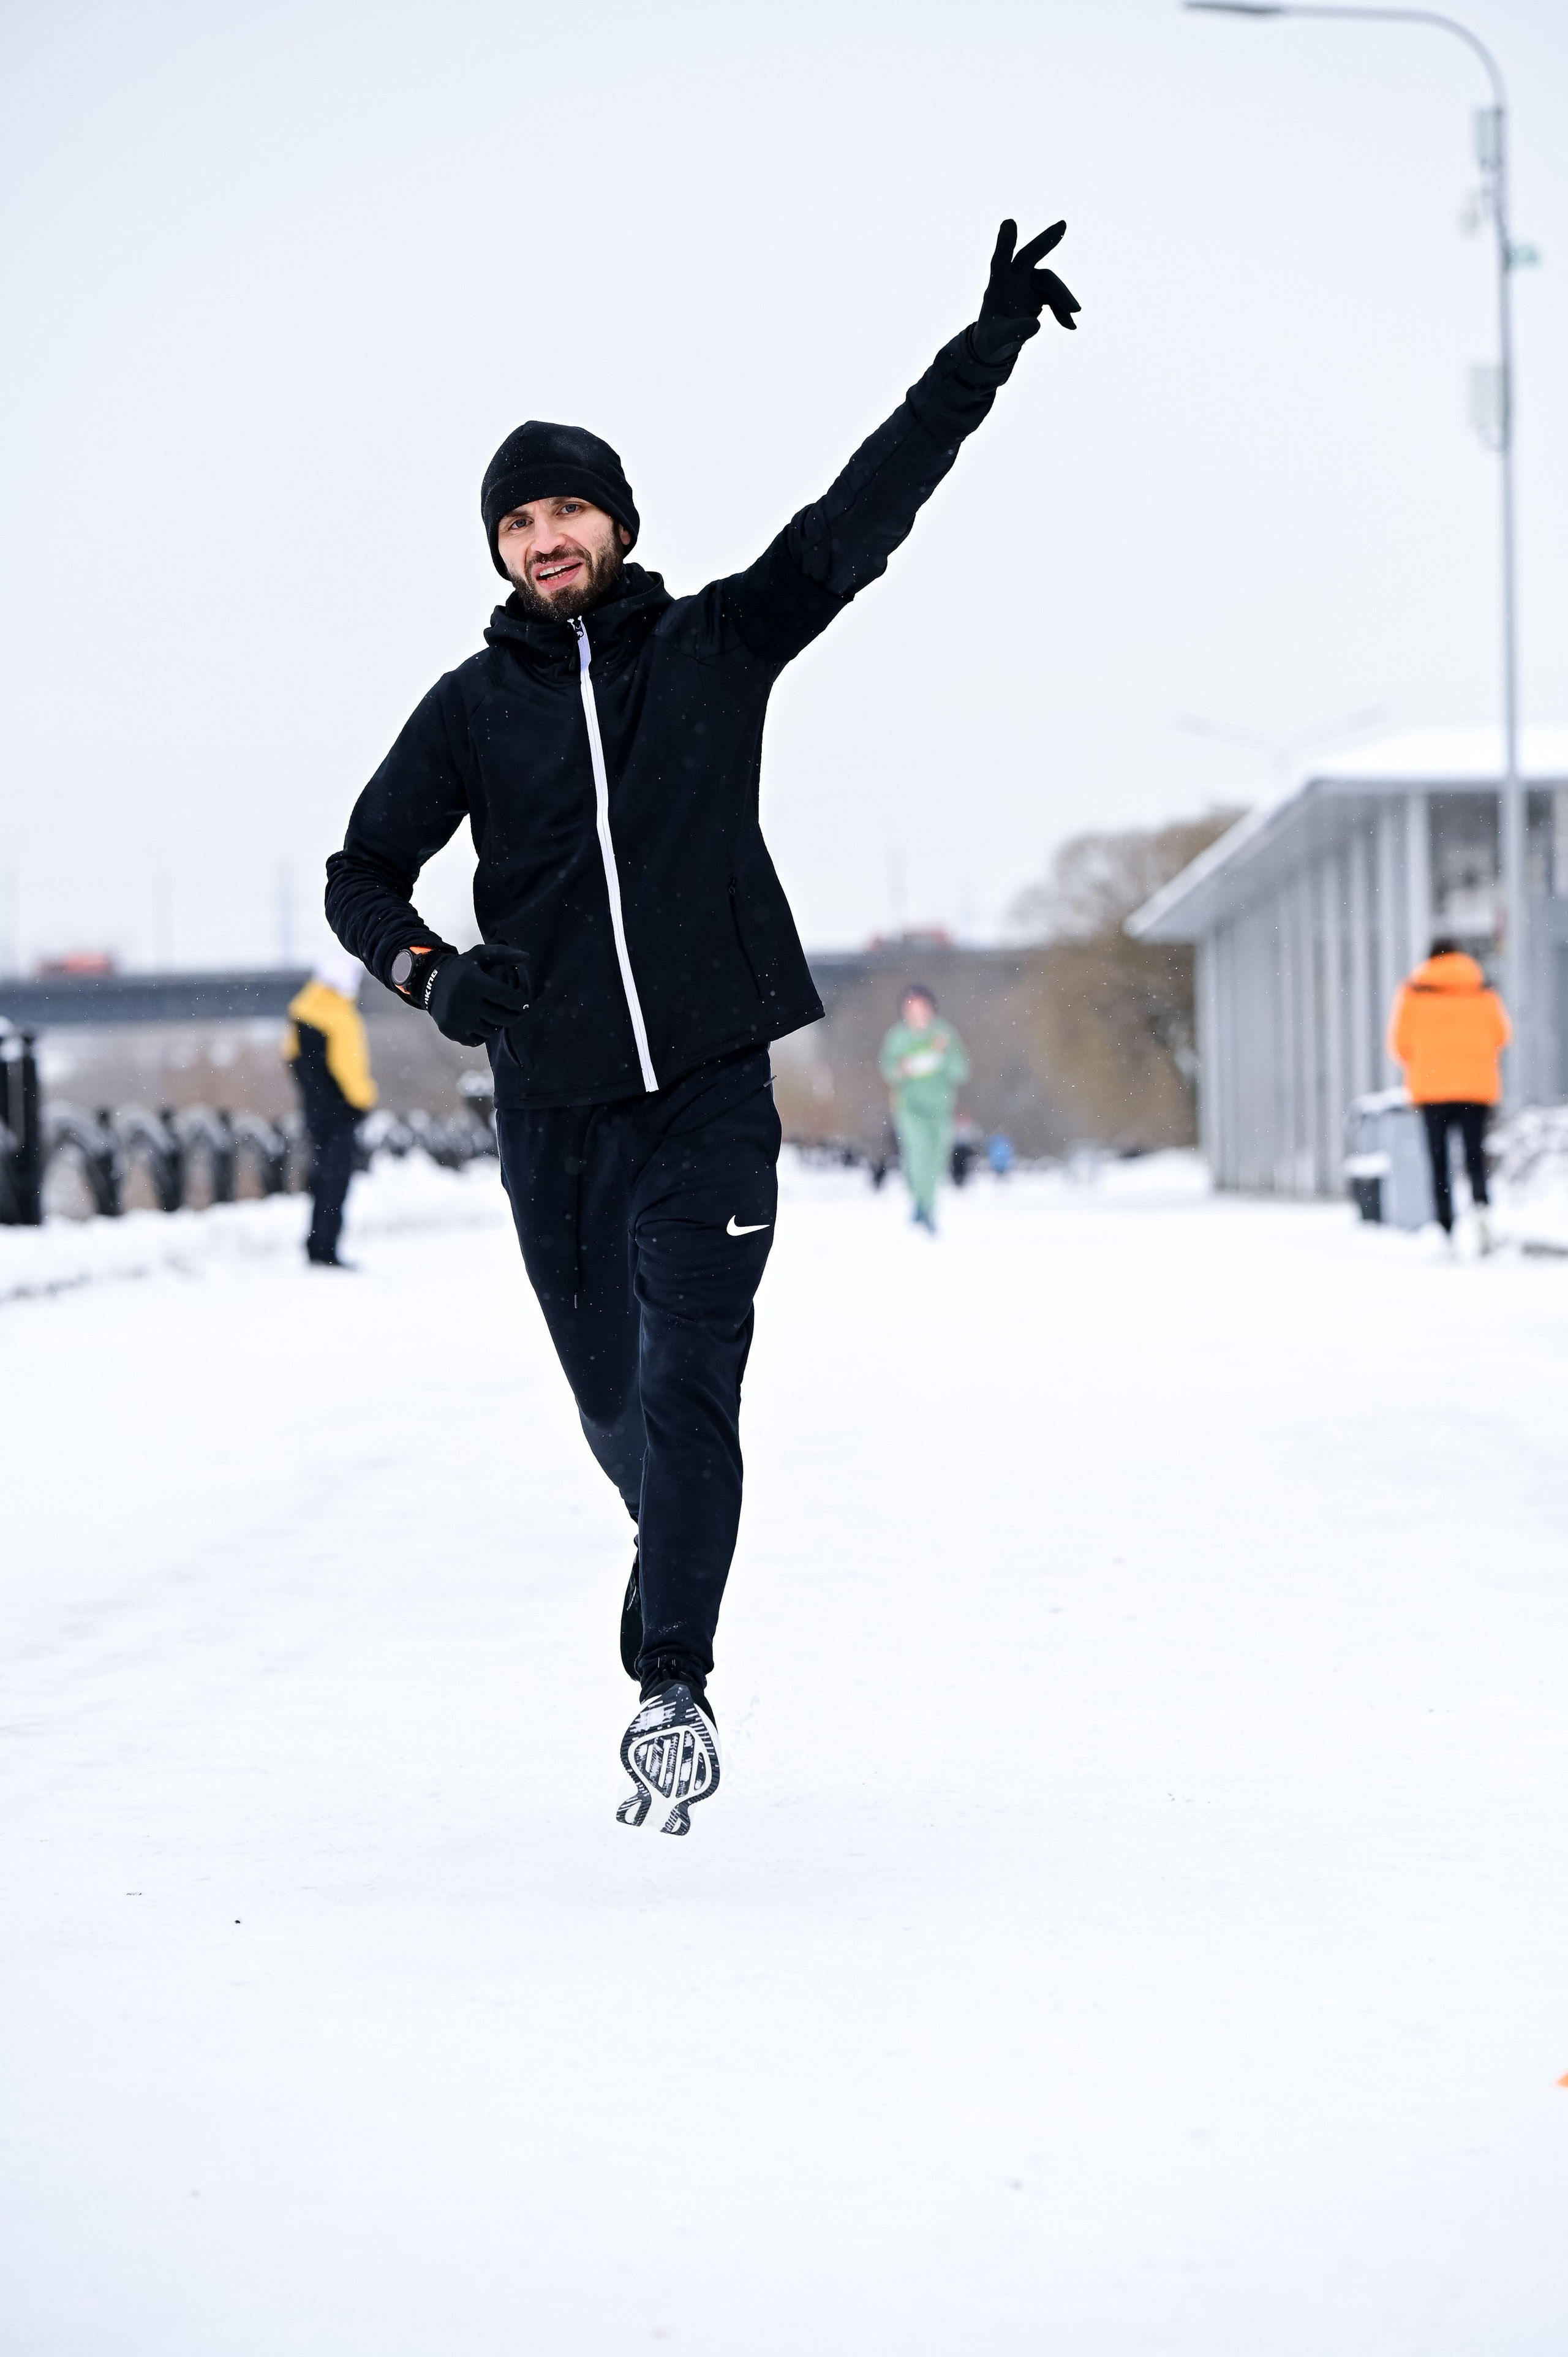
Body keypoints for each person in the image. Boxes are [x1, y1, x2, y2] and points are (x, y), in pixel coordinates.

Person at [323, 218, 1080, 1834]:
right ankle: (664, 1563)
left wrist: (984, 349)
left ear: (616, 521)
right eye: (517, 521)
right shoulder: (470, 712)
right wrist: (433, 975)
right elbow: (360, 875)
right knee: (615, 1408)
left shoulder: (715, 647)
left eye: (566, 509)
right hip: (552, 1115)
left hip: (712, 1101)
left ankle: (676, 1675)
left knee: (691, 1389)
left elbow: (863, 513)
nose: (544, 539)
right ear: (498, 549)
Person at [1388, 937, 1510, 1248]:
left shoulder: (1416, 991)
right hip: (1475, 1087)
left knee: (1438, 1158)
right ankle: (1481, 1208)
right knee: (1474, 1155)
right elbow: (1501, 1035)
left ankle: (1446, 1225)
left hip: (1432, 1089)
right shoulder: (1482, 989)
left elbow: (1400, 1044)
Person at [282, 948, 377, 1267]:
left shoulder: (300, 1011)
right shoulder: (341, 1017)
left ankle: (316, 1244)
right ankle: (327, 1250)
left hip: (314, 1112)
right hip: (341, 1113)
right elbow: (349, 1069)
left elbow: (292, 1061)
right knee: (337, 1181)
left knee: (321, 1178)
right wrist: (364, 1101)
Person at [878, 987, 971, 1231]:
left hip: (940, 1108)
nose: (916, 1013)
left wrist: (944, 1052)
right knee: (918, 1155)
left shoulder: (944, 1034)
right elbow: (888, 1072)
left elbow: (960, 1071)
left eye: (921, 1007)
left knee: (937, 1159)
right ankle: (922, 1206)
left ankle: (926, 1205)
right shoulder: (898, 1037)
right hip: (910, 1107)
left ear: (931, 1008)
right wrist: (902, 1069)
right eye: (911, 1008)